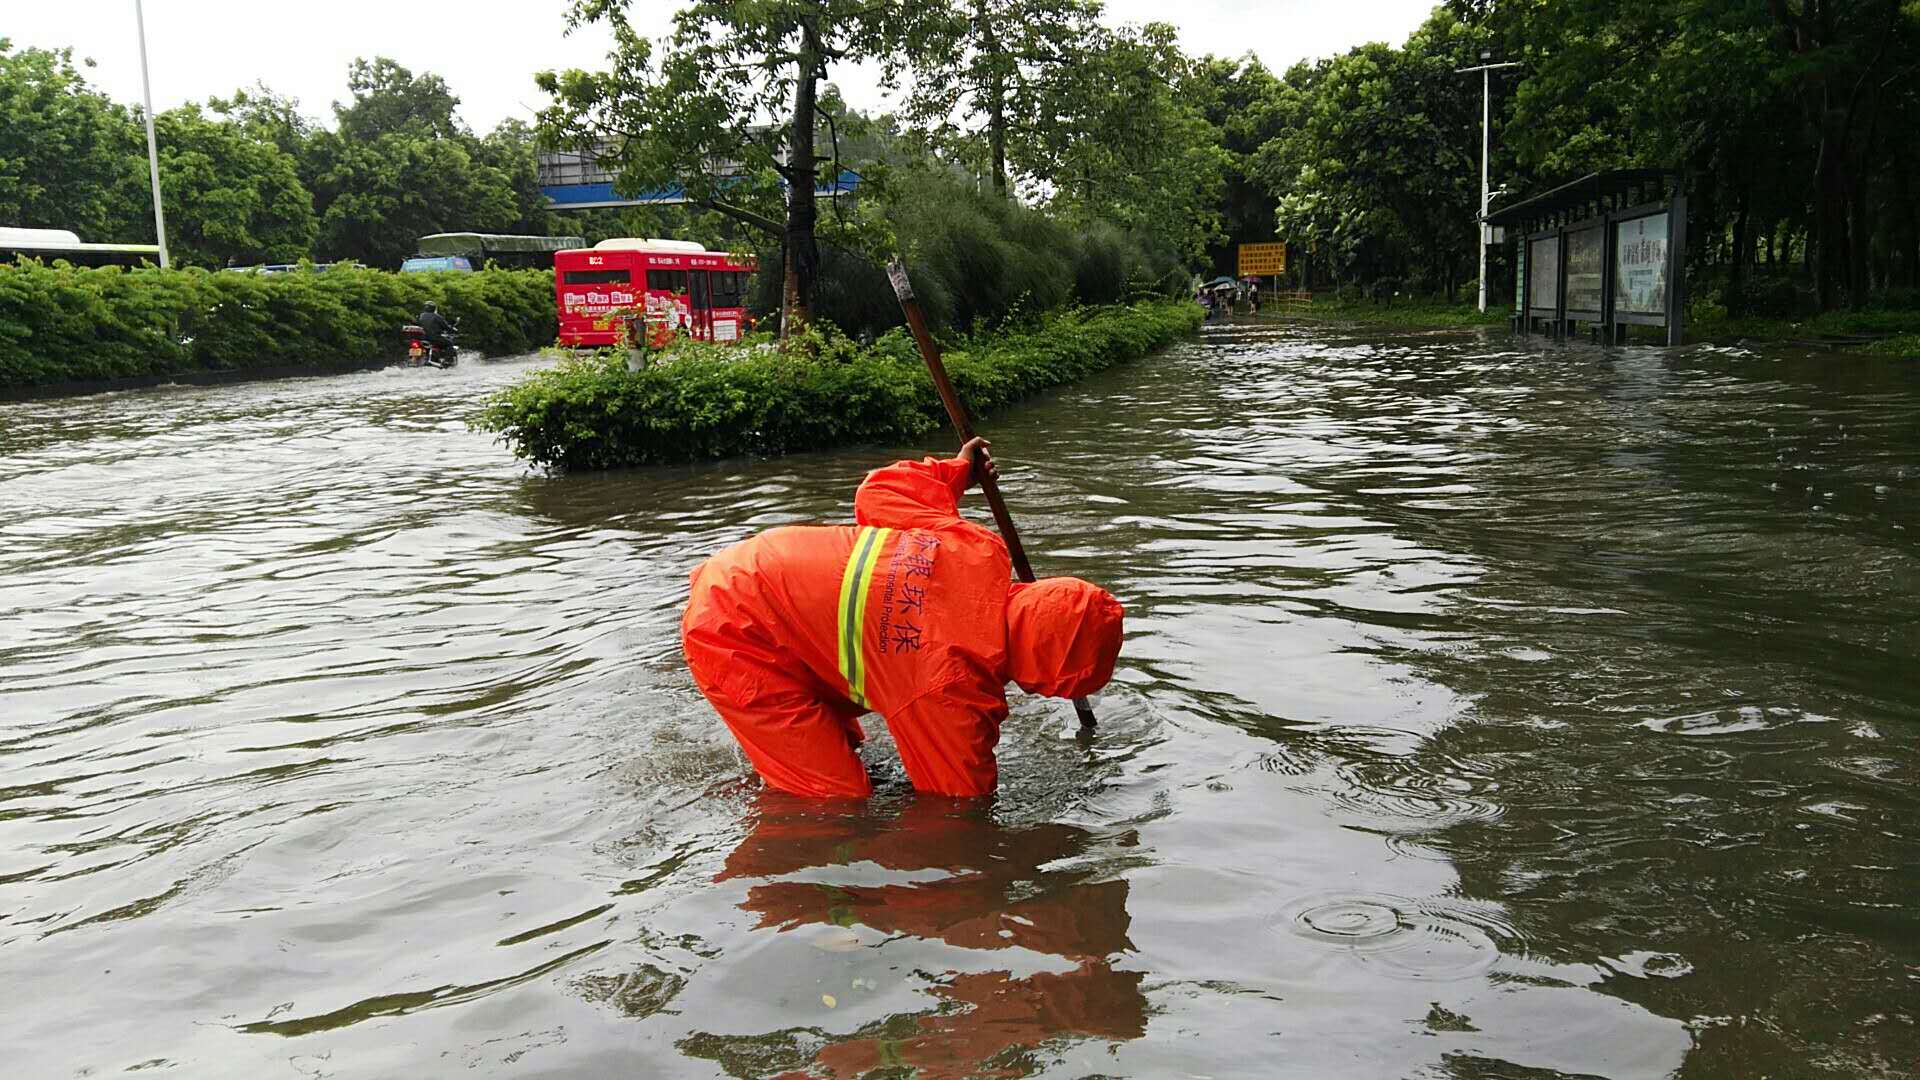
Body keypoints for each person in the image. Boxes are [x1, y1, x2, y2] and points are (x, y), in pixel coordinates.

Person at [680, 439, 1125, 799]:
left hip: (753, 568)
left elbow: (881, 491)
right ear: (1049, 681)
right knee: (835, 802)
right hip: (733, 634)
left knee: (849, 748)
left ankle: (770, 766)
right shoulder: (951, 690)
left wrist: (958, 471)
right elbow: (956, 800)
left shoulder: (977, 549)